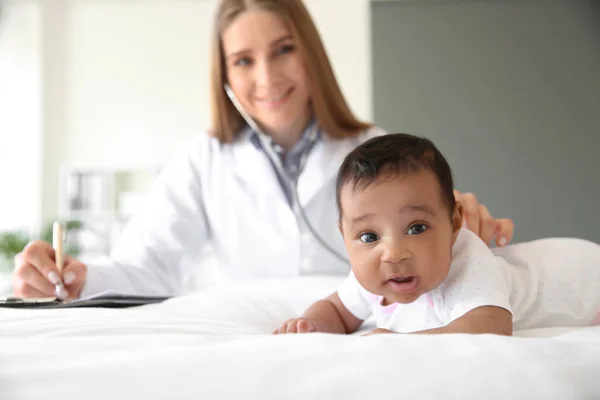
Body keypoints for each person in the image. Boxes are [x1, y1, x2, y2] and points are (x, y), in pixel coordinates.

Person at [11, 0, 513, 300]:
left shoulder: (372, 149)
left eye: (283, 50)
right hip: (248, 333)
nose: (267, 78)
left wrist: (458, 227)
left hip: (350, 330)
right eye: (244, 61)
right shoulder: (203, 160)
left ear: (310, 52)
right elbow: (149, 267)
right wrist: (76, 277)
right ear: (225, 75)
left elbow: (419, 249)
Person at [274, 133, 600, 336]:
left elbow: (491, 326)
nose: (394, 253)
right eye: (369, 236)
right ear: (344, 236)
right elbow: (337, 311)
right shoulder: (369, 279)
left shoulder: (467, 261)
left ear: (455, 223)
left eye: (416, 228)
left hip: (584, 276)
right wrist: (310, 324)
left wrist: (402, 343)